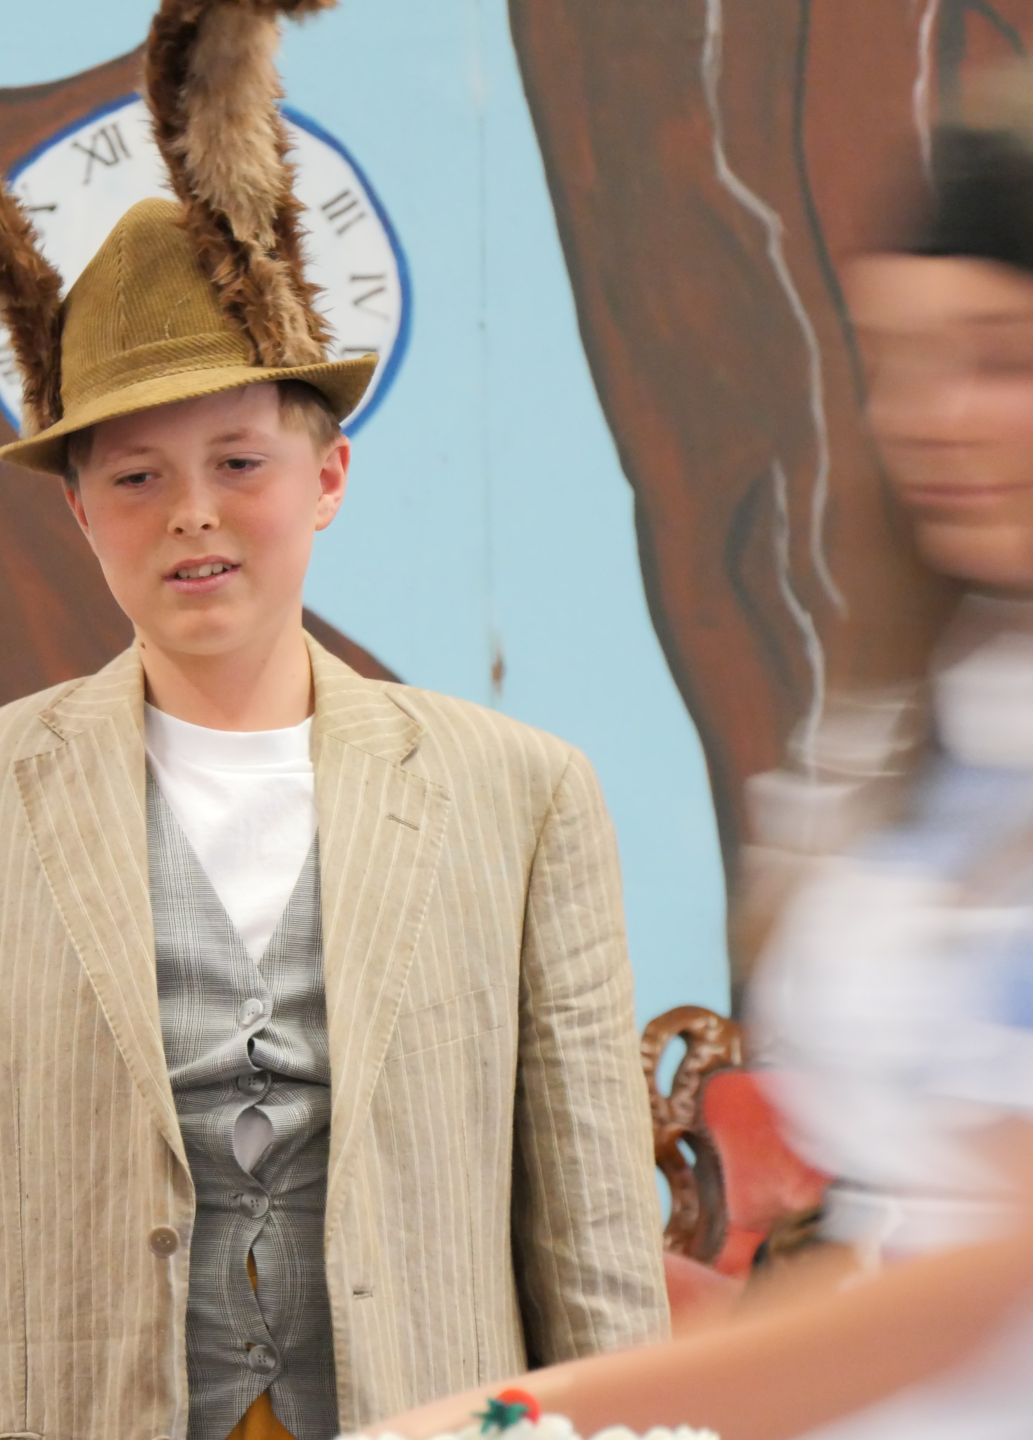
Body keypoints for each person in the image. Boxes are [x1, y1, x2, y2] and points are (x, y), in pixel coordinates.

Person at [0, 3, 668, 1437]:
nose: (193, 513)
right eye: (136, 477)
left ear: (327, 477)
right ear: (79, 511)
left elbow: (593, 1251)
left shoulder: (522, 794)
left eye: (239, 460)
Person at [368, 72, 1033, 1440]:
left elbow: (983, 1286)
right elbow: (899, 1250)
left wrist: (515, 1413)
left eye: (997, 358)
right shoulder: (923, 716)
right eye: (897, 359)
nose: (933, 417)